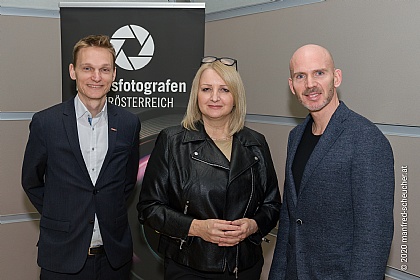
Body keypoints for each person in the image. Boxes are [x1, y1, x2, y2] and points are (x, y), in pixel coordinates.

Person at [137, 56, 281, 279]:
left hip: (243, 267)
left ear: (236, 97)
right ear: (196, 95)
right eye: (206, 89)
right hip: (189, 267)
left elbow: (272, 205)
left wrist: (253, 225)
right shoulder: (172, 141)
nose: (215, 97)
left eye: (224, 89)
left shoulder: (256, 143)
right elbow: (149, 208)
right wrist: (196, 227)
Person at [268, 44, 395, 280]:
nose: (310, 84)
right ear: (291, 85)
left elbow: (374, 236)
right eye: (300, 76)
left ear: (336, 78)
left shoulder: (366, 139)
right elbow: (289, 219)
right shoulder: (296, 137)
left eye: (319, 73)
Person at [21, 34, 141, 279]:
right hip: (62, 258)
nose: (96, 77)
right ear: (73, 71)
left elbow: (126, 183)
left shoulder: (129, 123)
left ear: (114, 74)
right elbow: (31, 181)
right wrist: (62, 212)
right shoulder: (46, 123)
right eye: (88, 68)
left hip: (113, 259)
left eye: (104, 69)